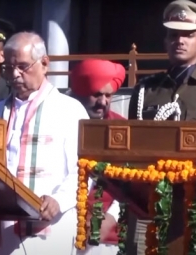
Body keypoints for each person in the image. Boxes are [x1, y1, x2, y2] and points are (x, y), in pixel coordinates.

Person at [0, 31, 91, 255]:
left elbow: (84, 168)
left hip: (51, 225)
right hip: (2, 230)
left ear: (44, 63)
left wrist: (59, 200)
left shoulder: (70, 110)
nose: (15, 74)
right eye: (9, 67)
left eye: (23, 66)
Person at [127, 1, 196, 254]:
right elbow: (131, 146)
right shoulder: (146, 89)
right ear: (166, 41)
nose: (179, 40)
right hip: (150, 201)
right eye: (173, 35)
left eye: (188, 35)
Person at [69, 59, 126, 255]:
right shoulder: (60, 122)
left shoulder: (122, 128)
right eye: (96, 95)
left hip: (105, 236)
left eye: (108, 95)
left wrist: (111, 218)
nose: (103, 102)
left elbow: (132, 183)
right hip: (60, 228)